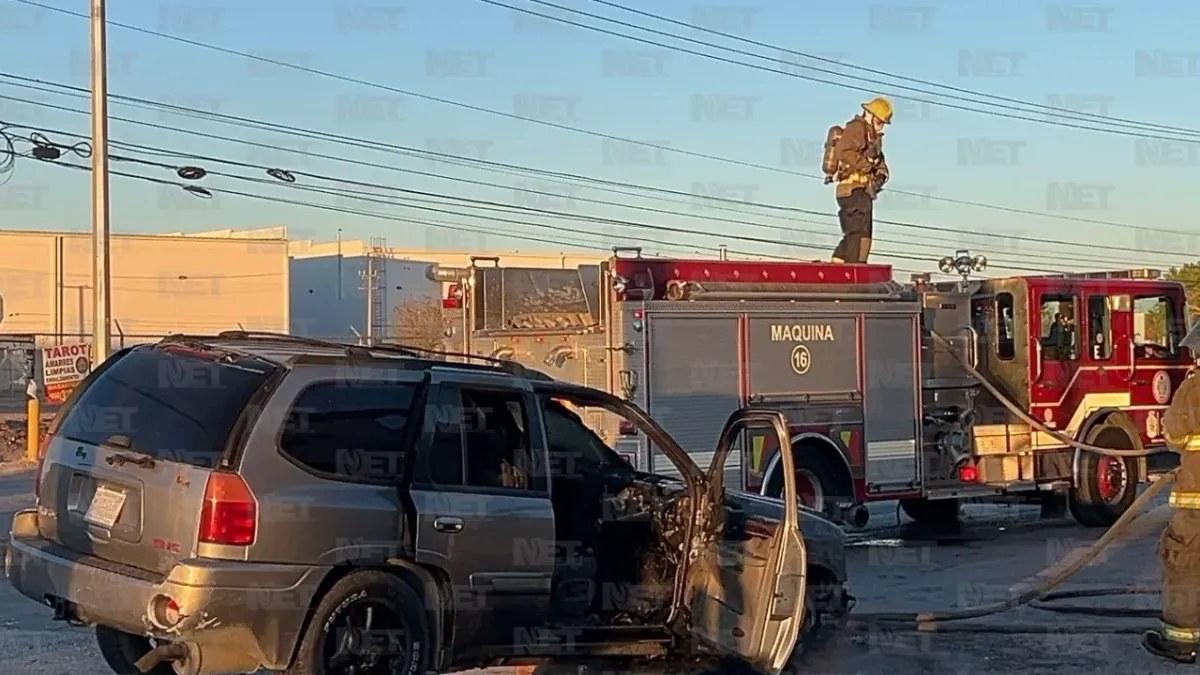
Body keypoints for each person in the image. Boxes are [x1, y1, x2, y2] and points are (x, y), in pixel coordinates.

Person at [1144, 320, 1200, 663]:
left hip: (1197, 499)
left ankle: (1180, 641)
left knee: (1185, 563)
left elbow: (1176, 435)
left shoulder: (1194, 390)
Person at [831, 97, 892, 264]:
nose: (882, 125)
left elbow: (881, 164)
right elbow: (843, 151)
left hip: (863, 189)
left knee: (860, 231)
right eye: (880, 121)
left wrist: (880, 176)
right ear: (870, 115)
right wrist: (866, 167)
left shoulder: (873, 137)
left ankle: (841, 260)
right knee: (859, 232)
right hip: (852, 187)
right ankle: (853, 267)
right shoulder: (857, 128)